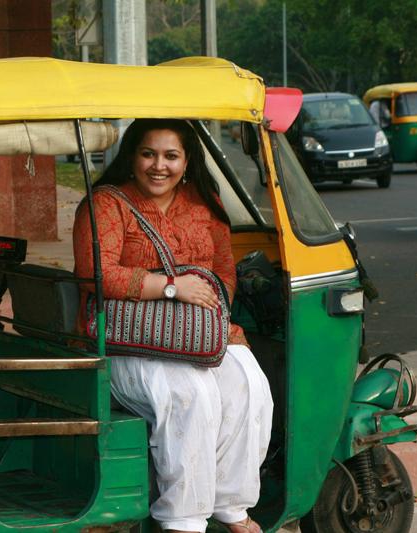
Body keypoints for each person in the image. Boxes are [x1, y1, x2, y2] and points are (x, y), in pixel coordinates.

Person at [72, 119, 273, 533]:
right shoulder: (106, 204)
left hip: (202, 330)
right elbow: (95, 274)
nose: (158, 165)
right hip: (129, 336)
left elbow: (224, 270)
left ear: (186, 161)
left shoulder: (205, 202)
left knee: (250, 387)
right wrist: (170, 289)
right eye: (148, 153)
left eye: (170, 155)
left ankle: (231, 506)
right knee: (191, 395)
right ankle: (182, 520)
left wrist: (208, 314)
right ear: (132, 156)